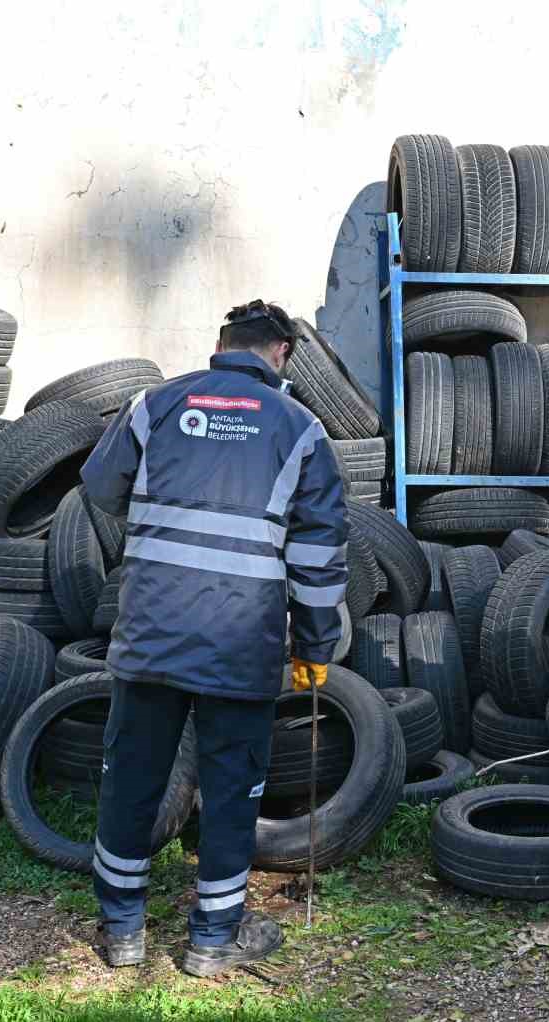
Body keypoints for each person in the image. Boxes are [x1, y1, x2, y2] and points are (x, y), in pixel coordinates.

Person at [79, 299, 348, 977]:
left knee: (132, 780)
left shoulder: (156, 405)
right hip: (240, 644)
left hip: (152, 636)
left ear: (221, 344)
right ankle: (212, 942)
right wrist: (313, 649)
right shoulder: (300, 428)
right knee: (232, 791)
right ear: (281, 353)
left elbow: (98, 488)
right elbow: (318, 558)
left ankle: (123, 931)